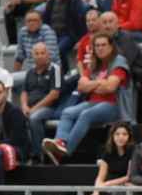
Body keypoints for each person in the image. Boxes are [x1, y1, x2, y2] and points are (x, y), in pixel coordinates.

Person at [42, 32, 132, 165]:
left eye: (103, 45)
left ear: (111, 47)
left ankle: (64, 152)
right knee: (68, 112)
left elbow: (110, 87)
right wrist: (100, 82)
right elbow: (81, 86)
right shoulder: (94, 63)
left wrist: (92, 84)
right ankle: (60, 142)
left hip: (113, 105)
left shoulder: (119, 62)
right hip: (93, 102)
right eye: (97, 46)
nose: (100, 48)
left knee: (86, 114)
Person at [83, 121, 135, 195]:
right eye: (117, 134)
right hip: (107, 189)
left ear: (129, 136)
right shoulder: (108, 152)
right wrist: (96, 191)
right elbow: (100, 177)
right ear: (112, 136)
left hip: (121, 190)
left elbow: (128, 177)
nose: (121, 137)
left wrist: (107, 184)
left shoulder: (132, 152)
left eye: (124, 134)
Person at [21, 42, 61, 165]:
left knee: (34, 118)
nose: (39, 56)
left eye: (42, 53)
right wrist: (24, 106)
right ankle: (21, 154)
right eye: (37, 53)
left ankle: (38, 156)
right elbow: (24, 92)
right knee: (15, 116)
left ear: (48, 54)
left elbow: (54, 94)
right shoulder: (30, 72)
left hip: (50, 108)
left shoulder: (55, 69)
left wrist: (35, 108)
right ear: (32, 56)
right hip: (30, 107)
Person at [12, 10, 60, 89]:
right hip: (30, 72)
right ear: (25, 22)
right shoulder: (23, 32)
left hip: (49, 72)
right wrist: (16, 73)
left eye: (35, 20)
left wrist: (34, 75)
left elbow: (49, 58)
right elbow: (19, 57)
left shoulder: (48, 32)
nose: (32, 23)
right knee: (8, 80)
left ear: (41, 21)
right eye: (29, 21)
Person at [43, 0, 87, 73]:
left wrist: (81, 39)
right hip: (52, 35)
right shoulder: (52, 1)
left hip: (69, 35)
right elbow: (46, 19)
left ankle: (65, 72)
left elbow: (81, 20)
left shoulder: (74, 0)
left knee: (60, 49)